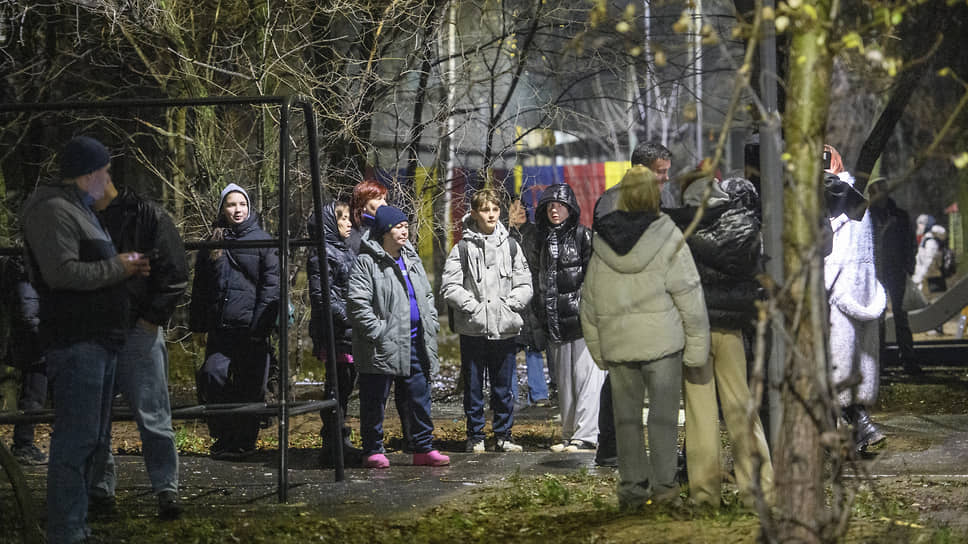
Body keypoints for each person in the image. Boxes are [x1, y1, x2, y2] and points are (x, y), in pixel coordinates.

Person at [21, 135, 151, 544]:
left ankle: (75, 526)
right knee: (76, 440)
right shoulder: (53, 211)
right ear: (90, 172)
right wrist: (118, 267)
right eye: (105, 170)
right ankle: (66, 530)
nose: (109, 177)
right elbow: (63, 273)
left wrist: (120, 267)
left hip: (97, 339)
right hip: (78, 340)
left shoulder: (79, 211)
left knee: (90, 438)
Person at [580, 165, 709, 509]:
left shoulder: (602, 238)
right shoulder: (668, 233)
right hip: (662, 344)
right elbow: (689, 295)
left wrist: (598, 350)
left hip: (620, 346)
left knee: (626, 423)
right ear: (655, 195)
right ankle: (665, 490)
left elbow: (588, 302)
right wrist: (697, 349)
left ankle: (633, 491)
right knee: (664, 421)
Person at [665, 175, 775, 508]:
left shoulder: (679, 229)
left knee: (700, 417)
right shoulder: (742, 225)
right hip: (731, 330)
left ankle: (704, 494)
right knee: (742, 410)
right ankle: (760, 490)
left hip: (694, 330)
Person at [86, 178, 188, 520]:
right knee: (146, 414)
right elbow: (173, 271)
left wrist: (150, 319)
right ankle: (163, 489)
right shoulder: (146, 216)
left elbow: (173, 271)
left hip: (124, 326)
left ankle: (112, 489)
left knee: (120, 415)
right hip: (125, 326)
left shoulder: (139, 216)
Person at [592, 141, 676, 468]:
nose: (666, 180)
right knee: (621, 381)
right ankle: (611, 447)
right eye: (661, 173)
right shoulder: (611, 202)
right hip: (624, 306)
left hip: (654, 304)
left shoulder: (662, 199)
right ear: (641, 171)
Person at [347, 205, 450, 468]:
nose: (404, 231)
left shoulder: (411, 258)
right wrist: (378, 332)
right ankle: (373, 449)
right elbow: (358, 303)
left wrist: (430, 321)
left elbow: (426, 295)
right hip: (381, 344)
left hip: (415, 341)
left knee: (419, 395)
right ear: (384, 231)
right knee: (375, 400)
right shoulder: (367, 262)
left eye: (405, 226)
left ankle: (423, 448)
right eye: (398, 226)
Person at [190, 183, 280, 460]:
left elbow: (271, 287)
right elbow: (201, 287)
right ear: (222, 209)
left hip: (252, 330)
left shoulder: (263, 241)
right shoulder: (213, 242)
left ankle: (244, 441)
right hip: (221, 328)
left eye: (242, 204)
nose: (237, 209)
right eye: (231, 204)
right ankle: (224, 437)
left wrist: (259, 328)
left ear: (249, 207)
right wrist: (199, 326)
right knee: (212, 375)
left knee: (251, 387)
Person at [441, 188, 533, 453]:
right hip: (474, 329)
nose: (491, 214)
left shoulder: (512, 246)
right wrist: (473, 308)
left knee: (503, 387)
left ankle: (504, 435)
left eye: (494, 209)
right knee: (473, 387)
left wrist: (510, 305)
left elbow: (525, 283)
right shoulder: (463, 248)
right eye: (485, 210)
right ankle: (476, 435)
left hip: (504, 328)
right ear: (474, 213)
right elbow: (450, 285)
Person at [824, 145, 888, 454]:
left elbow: (830, 256)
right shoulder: (857, 200)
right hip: (861, 291)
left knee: (835, 367)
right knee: (855, 364)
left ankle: (856, 429)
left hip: (838, 295)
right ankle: (862, 429)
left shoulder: (831, 200)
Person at [532, 184, 604, 452]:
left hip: (583, 322)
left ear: (570, 208)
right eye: (550, 205)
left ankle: (587, 435)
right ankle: (570, 433)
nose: (554, 209)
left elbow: (594, 277)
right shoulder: (541, 240)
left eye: (560, 205)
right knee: (565, 382)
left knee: (587, 379)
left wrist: (586, 309)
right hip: (556, 323)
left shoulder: (583, 236)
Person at [346, 180, 415, 452]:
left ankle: (414, 439)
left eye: (385, 199)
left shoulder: (393, 234)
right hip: (370, 329)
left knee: (409, 388)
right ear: (363, 204)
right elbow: (355, 288)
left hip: (399, 327)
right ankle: (370, 446)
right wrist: (377, 328)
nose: (384, 204)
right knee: (374, 392)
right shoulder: (357, 238)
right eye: (378, 200)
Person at [307, 200, 362, 465]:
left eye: (349, 218)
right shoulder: (323, 254)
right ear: (330, 222)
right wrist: (352, 318)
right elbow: (323, 298)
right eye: (342, 218)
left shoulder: (344, 250)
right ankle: (333, 443)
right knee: (336, 387)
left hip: (348, 331)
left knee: (344, 385)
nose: (349, 223)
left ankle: (340, 439)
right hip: (336, 332)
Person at [0, 256, 48, 465]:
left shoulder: (20, 270)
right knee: (34, 394)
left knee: (35, 393)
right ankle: (23, 444)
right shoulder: (25, 272)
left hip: (32, 339)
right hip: (36, 342)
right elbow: (28, 309)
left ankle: (24, 443)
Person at [867, 177, 918, 373]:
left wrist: (908, 264)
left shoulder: (895, 216)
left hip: (894, 270)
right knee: (879, 318)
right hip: (878, 272)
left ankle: (906, 359)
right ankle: (881, 361)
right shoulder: (869, 216)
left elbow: (909, 242)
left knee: (899, 316)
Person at [507, 198, 551, 407]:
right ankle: (510, 395)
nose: (521, 211)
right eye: (515, 208)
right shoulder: (502, 237)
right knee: (510, 349)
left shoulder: (537, 233)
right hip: (511, 299)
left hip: (534, 299)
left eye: (523, 206)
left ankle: (539, 393)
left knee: (534, 347)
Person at [913, 224, 949, 300]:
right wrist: (923, 274)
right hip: (931, 276)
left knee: (931, 298)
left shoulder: (926, 240)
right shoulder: (931, 242)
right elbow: (930, 260)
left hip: (927, 274)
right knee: (936, 299)